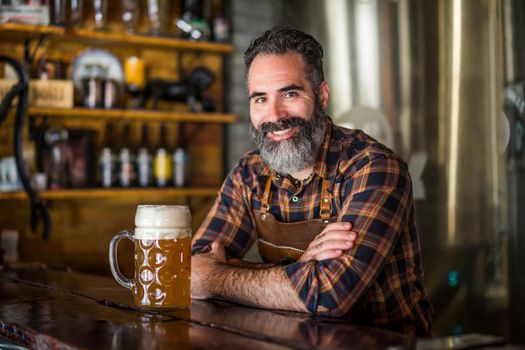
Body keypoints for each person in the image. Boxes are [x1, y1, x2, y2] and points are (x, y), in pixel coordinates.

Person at [191, 27, 433, 336]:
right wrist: (301, 268)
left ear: (322, 95)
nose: (274, 115)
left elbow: (330, 294)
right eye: (260, 99)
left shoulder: (373, 168)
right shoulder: (249, 173)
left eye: (290, 94)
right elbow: (193, 267)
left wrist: (217, 277)